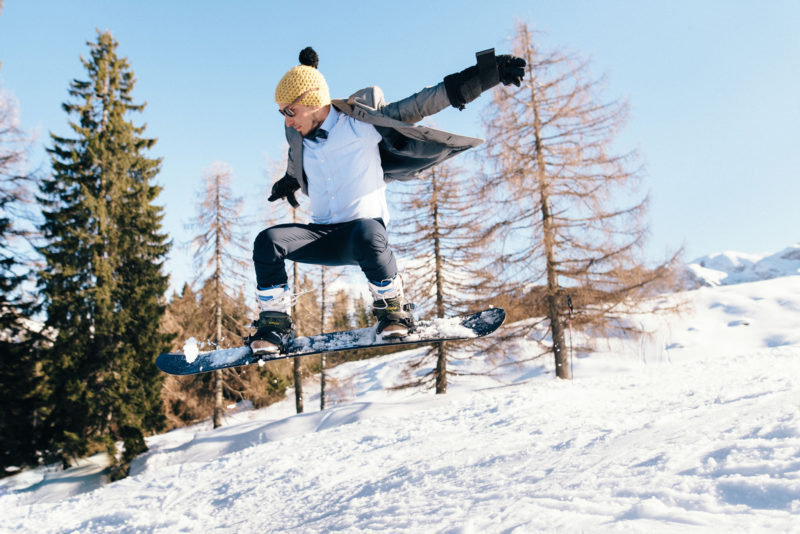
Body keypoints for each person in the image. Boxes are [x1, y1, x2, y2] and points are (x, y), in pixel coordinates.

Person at [248, 46, 525, 354]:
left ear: (313, 102)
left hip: (364, 236)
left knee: (367, 232)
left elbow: (425, 101)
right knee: (267, 241)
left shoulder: (362, 124)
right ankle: (274, 326)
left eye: (290, 112)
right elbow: (295, 155)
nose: (287, 121)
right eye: (282, 113)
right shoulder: (298, 134)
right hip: (322, 236)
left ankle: (392, 309)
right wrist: (290, 178)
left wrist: (488, 74)